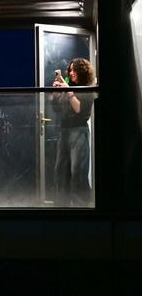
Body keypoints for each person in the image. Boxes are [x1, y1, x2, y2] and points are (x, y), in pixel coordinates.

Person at [51, 58, 96, 207]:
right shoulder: (68, 87)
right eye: (70, 70)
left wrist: (68, 91)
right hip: (64, 131)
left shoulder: (87, 90)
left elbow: (79, 110)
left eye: (74, 70)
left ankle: (80, 205)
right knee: (60, 169)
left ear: (82, 72)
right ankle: (61, 204)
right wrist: (56, 94)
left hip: (79, 131)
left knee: (78, 170)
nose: (71, 73)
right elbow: (56, 109)